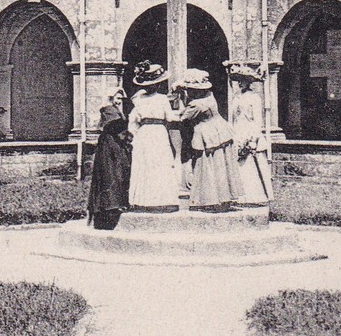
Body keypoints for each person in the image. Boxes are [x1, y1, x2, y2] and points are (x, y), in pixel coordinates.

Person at [177, 69, 243, 210]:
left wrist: (180, 96)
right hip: (220, 130)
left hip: (207, 133)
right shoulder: (209, 96)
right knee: (221, 166)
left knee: (207, 166)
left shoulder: (196, 105)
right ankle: (223, 198)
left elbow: (182, 117)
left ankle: (209, 199)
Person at [128, 62, 179, 210]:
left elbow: (133, 121)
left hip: (144, 133)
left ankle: (144, 201)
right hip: (158, 133)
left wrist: (136, 135)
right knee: (160, 164)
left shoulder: (138, 100)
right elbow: (169, 117)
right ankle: (162, 200)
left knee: (145, 165)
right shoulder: (162, 99)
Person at [87, 90, 132, 231]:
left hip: (116, 146)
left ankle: (117, 203)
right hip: (109, 146)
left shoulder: (118, 110)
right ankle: (108, 206)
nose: (119, 101)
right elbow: (114, 127)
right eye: (117, 98)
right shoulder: (109, 110)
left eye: (121, 98)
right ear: (111, 98)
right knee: (110, 174)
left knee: (118, 173)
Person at [228, 65, 272, 206]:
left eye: (243, 80)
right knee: (238, 166)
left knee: (251, 166)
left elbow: (257, 121)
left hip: (250, 131)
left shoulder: (254, 98)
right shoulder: (236, 98)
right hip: (238, 132)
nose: (240, 83)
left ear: (249, 82)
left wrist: (253, 139)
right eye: (238, 80)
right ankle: (239, 197)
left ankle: (254, 197)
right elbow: (233, 119)